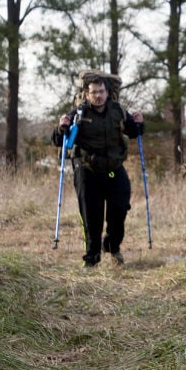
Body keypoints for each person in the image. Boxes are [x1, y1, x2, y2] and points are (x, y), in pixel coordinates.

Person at [52, 73, 144, 267]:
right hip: (88, 171)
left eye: (101, 91)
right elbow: (59, 140)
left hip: (113, 170)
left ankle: (112, 247)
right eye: (93, 92)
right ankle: (92, 258)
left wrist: (138, 122)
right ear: (87, 94)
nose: (98, 96)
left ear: (107, 92)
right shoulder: (78, 114)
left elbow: (134, 132)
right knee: (91, 217)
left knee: (119, 209)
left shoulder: (118, 111)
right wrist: (62, 128)